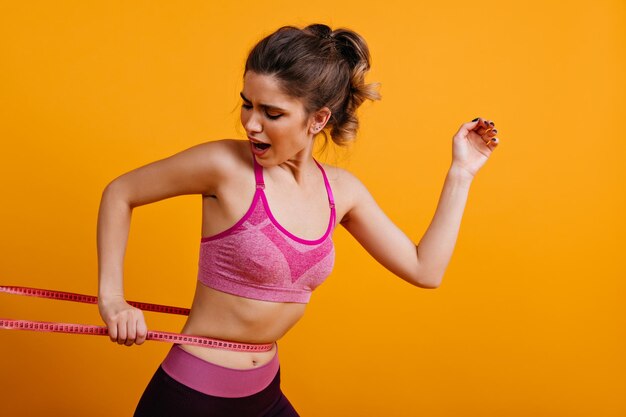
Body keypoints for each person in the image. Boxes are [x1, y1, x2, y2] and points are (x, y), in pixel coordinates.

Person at [97, 23, 499, 417]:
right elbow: (121, 192)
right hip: (193, 399)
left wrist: (461, 174)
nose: (252, 123)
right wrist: (113, 301)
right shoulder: (223, 166)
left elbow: (424, 269)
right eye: (247, 104)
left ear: (318, 120)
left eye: (272, 113)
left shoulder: (341, 191)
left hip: (264, 394)